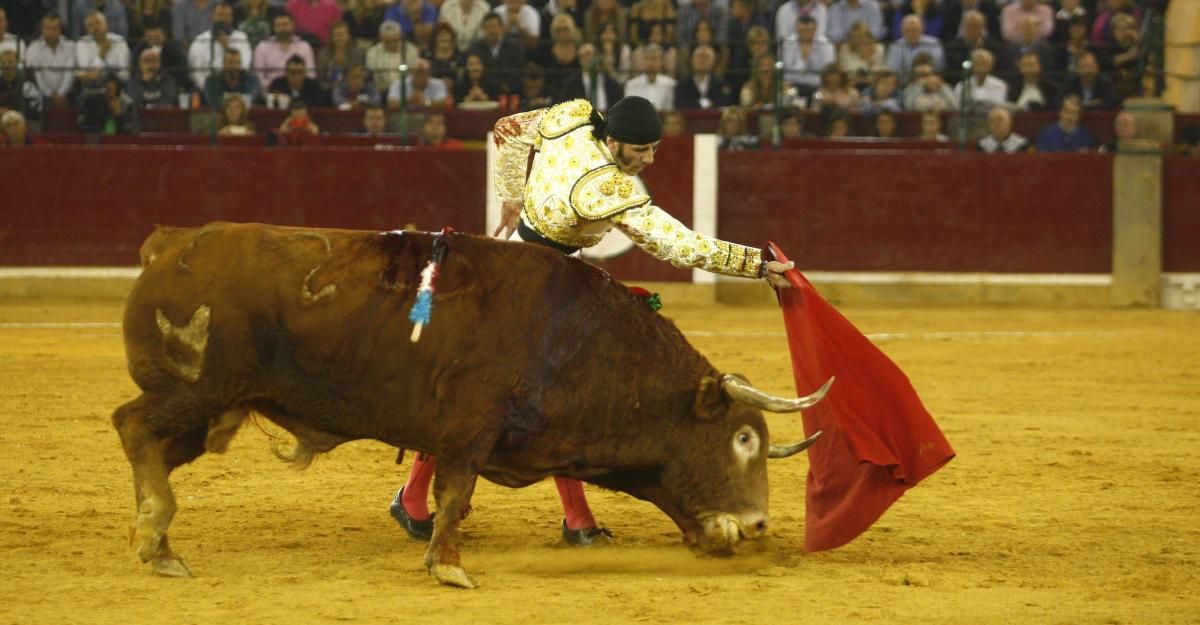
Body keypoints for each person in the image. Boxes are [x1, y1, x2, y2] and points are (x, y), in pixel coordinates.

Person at [388, 95, 796, 545]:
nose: (650, 159)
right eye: (640, 150)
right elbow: (676, 245)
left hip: (519, 270)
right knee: (541, 397)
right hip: (542, 290)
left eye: (655, 148)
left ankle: (428, 499)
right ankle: (564, 519)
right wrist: (753, 264)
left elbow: (507, 129)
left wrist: (511, 196)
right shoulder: (604, 186)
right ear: (614, 140)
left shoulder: (573, 114)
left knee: (493, 388)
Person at [187, 2, 253, 87]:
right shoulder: (200, 41)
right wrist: (208, 88)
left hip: (236, 88)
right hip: (207, 89)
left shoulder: (241, 38)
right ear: (212, 17)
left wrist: (226, 47)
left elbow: (244, 67)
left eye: (227, 16)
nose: (224, 19)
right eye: (220, 15)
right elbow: (195, 72)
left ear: (232, 18)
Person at [26, 15, 77, 111]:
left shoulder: (70, 46)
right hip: (41, 96)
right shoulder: (33, 48)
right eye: (47, 28)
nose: (51, 32)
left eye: (55, 28)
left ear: (60, 29)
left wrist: (61, 94)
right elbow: (35, 76)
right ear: (42, 29)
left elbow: (69, 74)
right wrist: (49, 95)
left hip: (68, 95)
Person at [467, 14, 525, 95]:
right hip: (484, 92)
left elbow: (518, 70)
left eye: (494, 26)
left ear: (502, 28)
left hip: (510, 92)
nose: (491, 30)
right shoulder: (476, 48)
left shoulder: (514, 47)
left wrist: (504, 87)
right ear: (483, 30)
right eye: (487, 27)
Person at [254, 13, 316, 88]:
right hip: (272, 92)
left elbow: (311, 74)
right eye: (278, 25)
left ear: (293, 25)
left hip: (301, 91)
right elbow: (259, 77)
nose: (282, 29)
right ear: (273, 27)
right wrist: (274, 88)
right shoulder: (263, 47)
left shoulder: (304, 46)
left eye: (285, 24)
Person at [780, 15, 835, 91]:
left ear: (815, 29)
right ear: (796, 29)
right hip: (792, 86)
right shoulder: (788, 44)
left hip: (819, 86)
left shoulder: (826, 44)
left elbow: (828, 70)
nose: (805, 34)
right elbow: (785, 70)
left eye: (808, 31)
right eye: (802, 31)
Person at [885, 14, 944, 82]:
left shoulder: (934, 43)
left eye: (914, 30)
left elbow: (938, 67)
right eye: (907, 30)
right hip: (901, 85)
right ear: (901, 31)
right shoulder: (895, 46)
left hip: (928, 83)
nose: (910, 34)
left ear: (922, 29)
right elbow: (892, 70)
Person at [76, 11, 130, 83]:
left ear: (106, 24)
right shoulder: (82, 43)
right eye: (90, 25)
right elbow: (86, 73)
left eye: (98, 22)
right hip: (92, 86)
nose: (95, 27)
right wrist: (101, 54)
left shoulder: (119, 41)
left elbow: (125, 74)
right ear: (87, 30)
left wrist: (99, 74)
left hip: (117, 84)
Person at [366, 20, 422, 89]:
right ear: (381, 38)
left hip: (406, 89)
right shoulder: (373, 52)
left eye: (395, 40)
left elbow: (414, 72)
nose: (392, 44)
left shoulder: (411, 50)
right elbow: (372, 75)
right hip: (381, 89)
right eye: (388, 41)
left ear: (400, 36)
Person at [623, 44, 675, 111]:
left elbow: (670, 110)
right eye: (647, 58)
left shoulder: (671, 84)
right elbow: (628, 109)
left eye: (654, 58)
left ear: (662, 62)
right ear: (643, 61)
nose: (650, 63)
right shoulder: (631, 85)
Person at [674, 44, 726, 109]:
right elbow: (679, 104)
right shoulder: (682, 83)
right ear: (692, 60)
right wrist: (702, 104)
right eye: (699, 56)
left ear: (713, 62)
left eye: (706, 57)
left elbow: (722, 104)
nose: (702, 60)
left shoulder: (720, 84)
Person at [315, 21, 365, 90]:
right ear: (331, 37)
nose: (340, 38)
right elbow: (320, 80)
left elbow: (362, 76)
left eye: (342, 34)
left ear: (348, 36)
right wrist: (331, 87)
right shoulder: (322, 55)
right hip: (329, 91)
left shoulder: (358, 53)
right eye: (337, 35)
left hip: (353, 89)